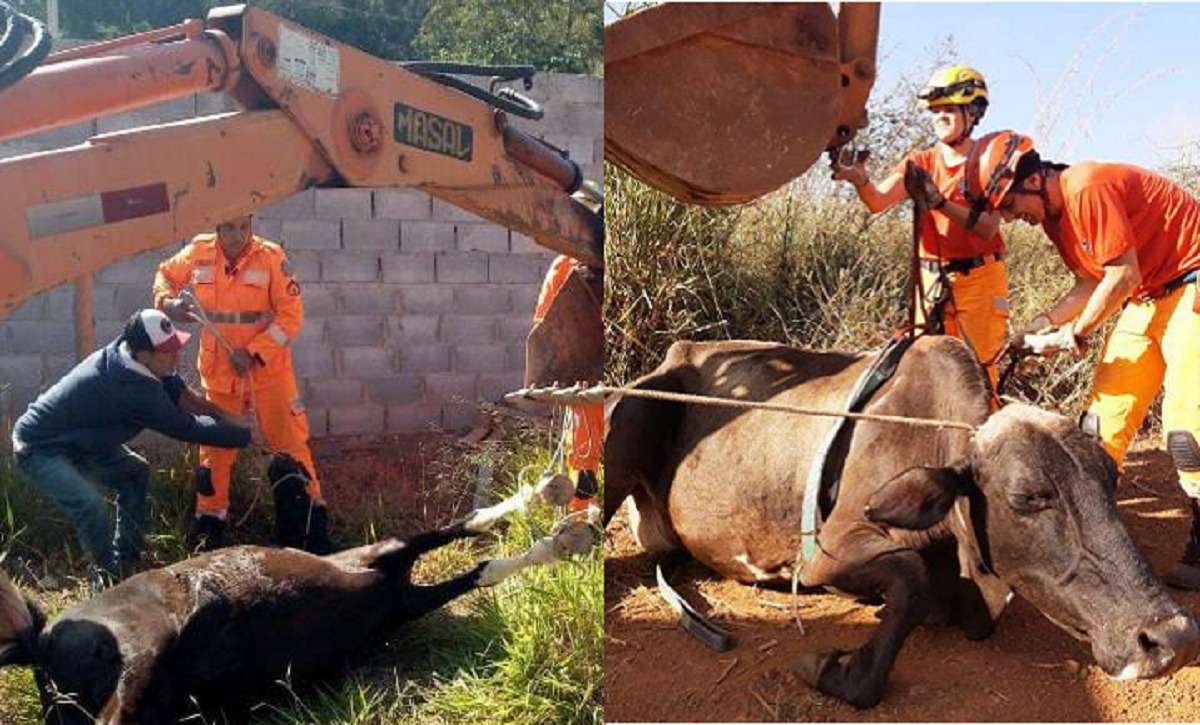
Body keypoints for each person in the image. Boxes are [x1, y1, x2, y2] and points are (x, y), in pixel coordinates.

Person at [966, 130, 1200, 589]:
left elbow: (1122, 273)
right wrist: (1042, 321)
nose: (1013, 219)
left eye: (1011, 207)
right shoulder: (1056, 219)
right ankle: (1088, 536)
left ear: (1030, 181)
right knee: (1097, 431)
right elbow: (1090, 283)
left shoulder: (1087, 186)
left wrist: (1075, 333)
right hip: (1148, 297)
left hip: (1191, 283)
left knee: (1186, 429)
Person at [11, 309, 250, 587]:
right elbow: (187, 428)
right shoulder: (133, 388)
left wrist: (226, 417)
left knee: (135, 472)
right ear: (143, 354)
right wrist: (244, 437)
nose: (176, 357)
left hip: (82, 441)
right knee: (91, 506)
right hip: (40, 447)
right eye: (166, 352)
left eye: (175, 348)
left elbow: (184, 397)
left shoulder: (134, 355)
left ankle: (128, 558)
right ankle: (107, 576)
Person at [153, 214, 330, 552]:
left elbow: (290, 316)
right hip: (220, 375)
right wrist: (167, 302)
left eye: (243, 228)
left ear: (251, 225)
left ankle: (310, 528)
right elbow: (165, 273)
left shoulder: (272, 258)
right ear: (216, 227)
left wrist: (253, 352)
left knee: (290, 446)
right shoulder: (198, 252)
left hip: (269, 374)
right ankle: (210, 525)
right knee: (216, 450)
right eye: (229, 227)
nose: (237, 236)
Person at [833, 65, 1011, 385]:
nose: (939, 117)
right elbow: (878, 201)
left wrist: (940, 201)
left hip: (980, 280)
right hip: (931, 279)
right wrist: (859, 179)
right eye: (935, 111)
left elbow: (987, 227)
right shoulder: (921, 162)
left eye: (948, 110)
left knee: (980, 376)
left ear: (973, 112)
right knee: (926, 373)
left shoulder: (989, 160)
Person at [531, 254, 603, 511]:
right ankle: (580, 518)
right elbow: (545, 327)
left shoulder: (565, 264)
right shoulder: (565, 265)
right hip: (586, 383)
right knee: (584, 455)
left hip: (611, 380)